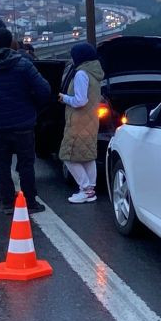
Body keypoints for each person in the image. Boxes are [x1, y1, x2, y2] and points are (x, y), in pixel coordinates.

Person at [0, 27, 52, 214]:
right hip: (23, 123)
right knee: (26, 164)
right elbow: (44, 90)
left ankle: (8, 203)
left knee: (1, 165)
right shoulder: (24, 65)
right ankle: (30, 202)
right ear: (11, 43)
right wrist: (33, 107)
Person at [58, 42, 104, 204]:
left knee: (67, 156)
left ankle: (85, 189)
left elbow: (80, 100)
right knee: (88, 156)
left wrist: (64, 98)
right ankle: (90, 188)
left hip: (79, 121)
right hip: (91, 121)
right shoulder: (95, 73)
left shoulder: (81, 74)